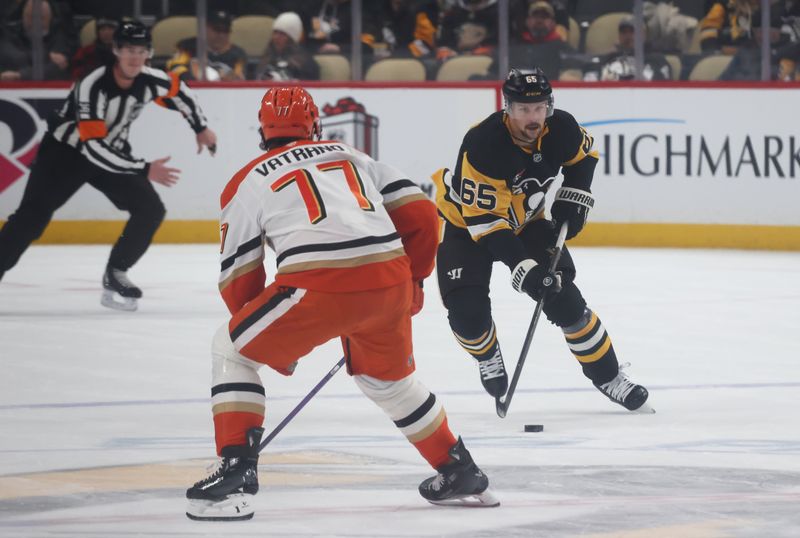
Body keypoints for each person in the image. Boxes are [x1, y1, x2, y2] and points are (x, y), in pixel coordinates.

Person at [185, 86, 497, 521]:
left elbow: (240, 277)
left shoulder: (245, 181)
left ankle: (236, 472)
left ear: (263, 130)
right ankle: (458, 468)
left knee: (231, 350)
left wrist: (272, 343)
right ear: (314, 124)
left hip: (316, 286)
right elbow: (424, 214)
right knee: (387, 382)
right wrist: (415, 282)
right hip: (389, 281)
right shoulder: (350, 154)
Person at [431, 68, 653, 413]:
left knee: (563, 298)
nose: (532, 117)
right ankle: (487, 354)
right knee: (467, 314)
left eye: (538, 108)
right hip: (468, 226)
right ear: (507, 108)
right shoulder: (483, 144)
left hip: (527, 222)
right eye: (522, 109)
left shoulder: (560, 127)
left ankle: (609, 377)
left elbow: (584, 158)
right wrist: (525, 268)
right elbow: (487, 225)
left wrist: (574, 197)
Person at [0, 20, 217, 310]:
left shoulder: (150, 79)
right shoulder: (93, 85)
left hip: (109, 151)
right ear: (116, 50)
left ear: (149, 53)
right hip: (65, 155)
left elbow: (181, 94)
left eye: (141, 51)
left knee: (150, 209)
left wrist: (200, 127)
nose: (135, 57)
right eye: (128, 50)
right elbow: (93, 148)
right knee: (32, 217)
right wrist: (143, 168)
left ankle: (116, 272)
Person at [0, 0, 73, 80]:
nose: (35, 22)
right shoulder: (11, 34)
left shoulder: (60, 35)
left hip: (51, 89)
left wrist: (20, 75)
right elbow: (12, 58)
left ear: (50, 17)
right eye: (31, 17)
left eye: (41, 18)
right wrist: (47, 56)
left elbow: (57, 68)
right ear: (23, 15)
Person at [166, 9, 247, 81]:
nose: (221, 35)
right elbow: (175, 68)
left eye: (225, 31)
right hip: (191, 89)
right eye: (217, 29)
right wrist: (195, 82)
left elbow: (238, 78)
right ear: (204, 28)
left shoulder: (238, 54)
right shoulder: (186, 46)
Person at [255, 11, 320, 80]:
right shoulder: (266, 59)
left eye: (282, 34)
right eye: (275, 32)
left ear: (291, 39)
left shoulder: (306, 64)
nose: (276, 37)